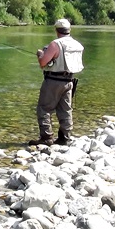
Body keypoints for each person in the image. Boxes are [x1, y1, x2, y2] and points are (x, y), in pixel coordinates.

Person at [29, 18, 84, 146]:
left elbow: (43, 63)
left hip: (53, 81)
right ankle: (65, 138)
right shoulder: (77, 44)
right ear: (69, 30)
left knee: (43, 109)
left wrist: (40, 54)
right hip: (69, 81)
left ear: (56, 30)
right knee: (65, 110)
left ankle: (46, 137)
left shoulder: (55, 44)